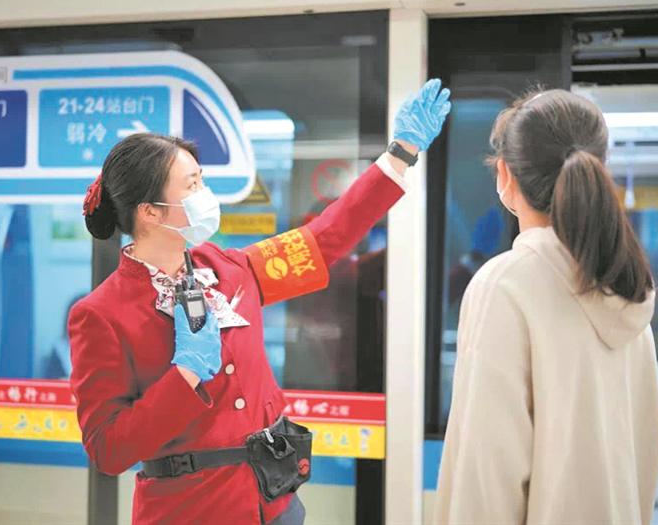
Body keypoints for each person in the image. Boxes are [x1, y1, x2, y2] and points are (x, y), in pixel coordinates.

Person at [67, 79, 451, 524]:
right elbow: (108, 450)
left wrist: (400, 153)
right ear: (150, 211)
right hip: (188, 512)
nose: (205, 195)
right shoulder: (101, 314)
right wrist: (185, 374)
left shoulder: (230, 268)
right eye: (192, 186)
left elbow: (327, 237)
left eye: (202, 180)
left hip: (275, 501)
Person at [433, 89, 658, 524]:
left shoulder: (505, 285)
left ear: (505, 175)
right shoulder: (626, 286)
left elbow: (486, 474)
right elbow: (647, 451)